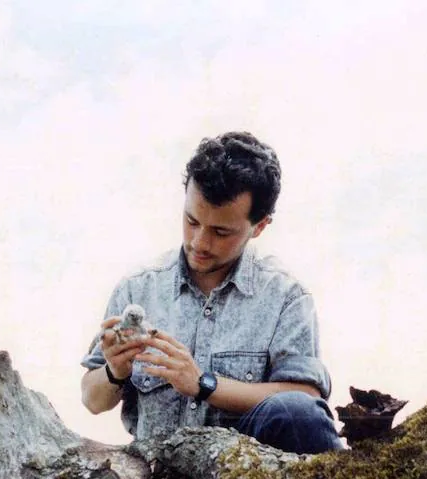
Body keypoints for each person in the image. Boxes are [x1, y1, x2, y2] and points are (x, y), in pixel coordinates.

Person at [79, 131, 343, 455]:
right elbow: (92, 399)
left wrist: (204, 384)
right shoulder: (138, 289)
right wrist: (115, 371)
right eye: (191, 221)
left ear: (259, 226)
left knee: (297, 414)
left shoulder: (286, 297)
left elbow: (305, 398)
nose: (199, 243)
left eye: (221, 232)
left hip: (246, 477)